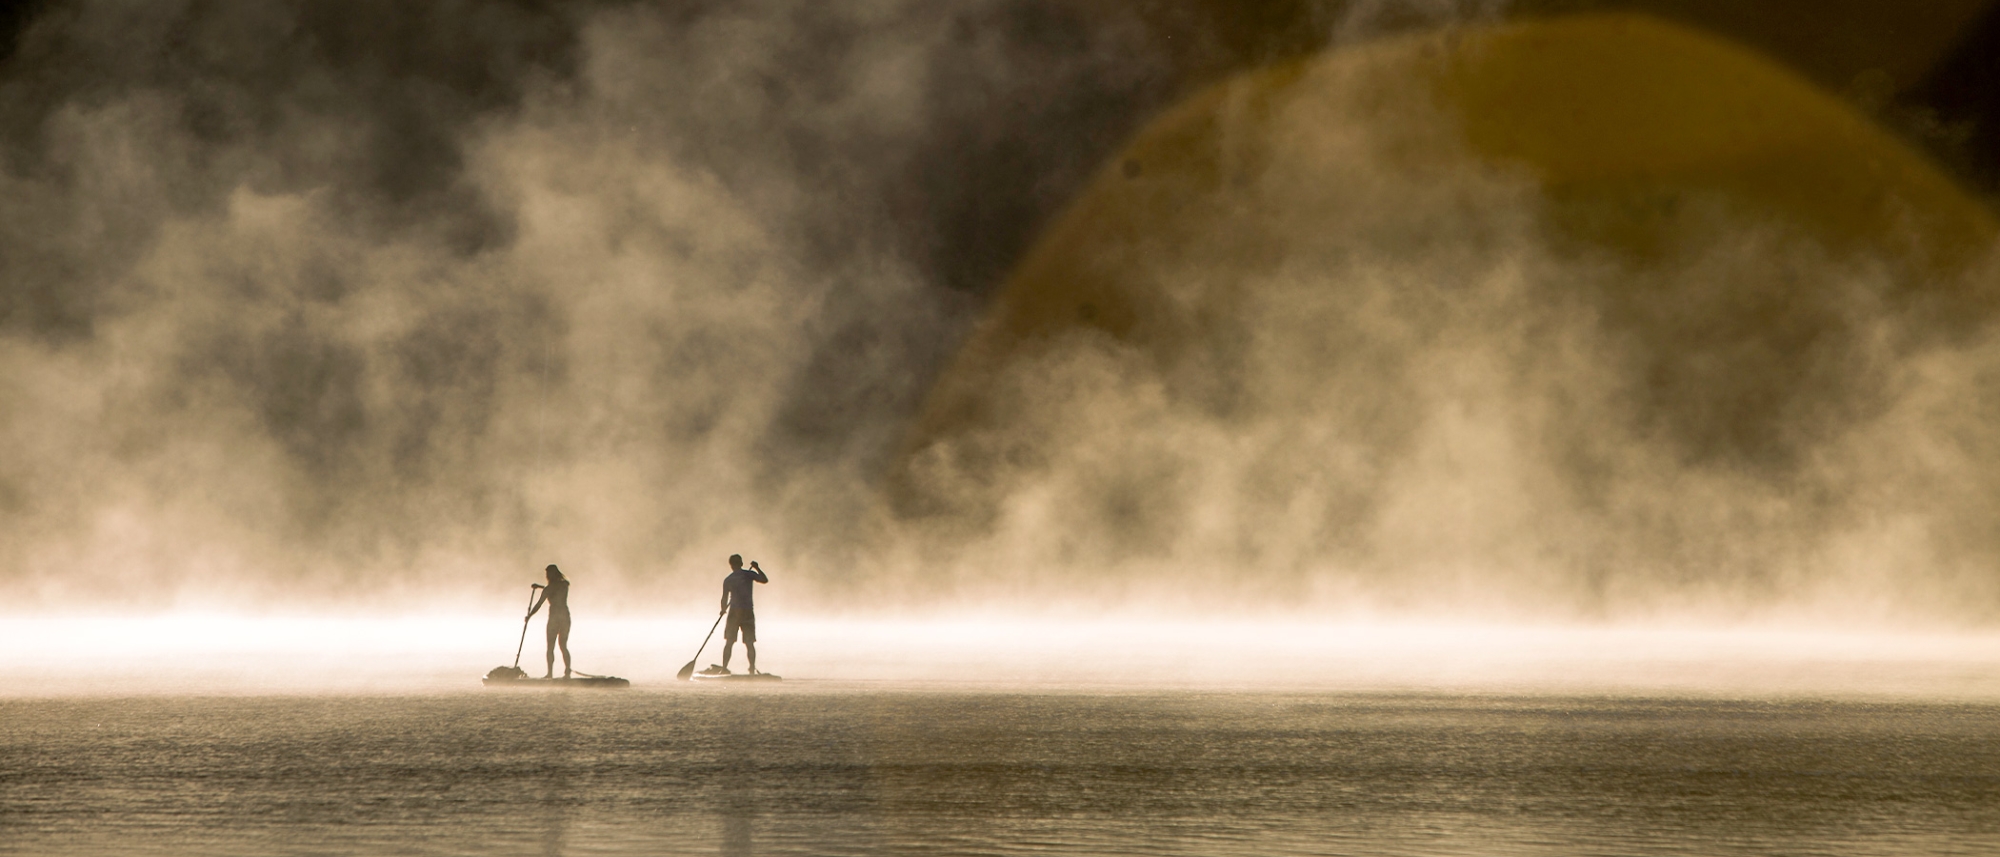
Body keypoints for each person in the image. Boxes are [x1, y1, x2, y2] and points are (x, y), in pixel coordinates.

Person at [718, 554, 769, 674]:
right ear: (741, 564)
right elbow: (764, 579)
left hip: (735, 612)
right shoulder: (748, 575)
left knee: (729, 642)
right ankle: (751, 668)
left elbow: (724, 598)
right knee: (749, 643)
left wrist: (723, 609)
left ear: (731, 565)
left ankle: (724, 668)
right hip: (747, 612)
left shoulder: (729, 579)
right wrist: (757, 568)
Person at [526, 564, 572, 678]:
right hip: (565, 617)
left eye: (548, 574)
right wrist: (541, 587)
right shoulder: (564, 585)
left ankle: (550, 673)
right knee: (563, 645)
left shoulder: (549, 589)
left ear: (552, 574)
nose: (546, 576)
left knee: (551, 647)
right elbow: (554, 589)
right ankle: (567, 672)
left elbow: (539, 604)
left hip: (555, 619)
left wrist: (529, 615)